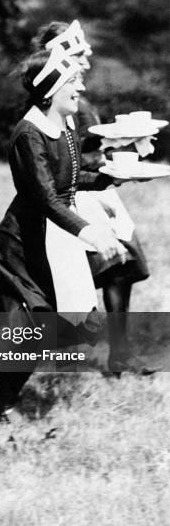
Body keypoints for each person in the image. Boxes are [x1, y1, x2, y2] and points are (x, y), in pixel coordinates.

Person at [0, 46, 125, 424]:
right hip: (23, 245)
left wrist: (110, 177)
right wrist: (88, 230)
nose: (81, 88)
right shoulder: (29, 134)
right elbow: (45, 198)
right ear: (51, 89)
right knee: (36, 331)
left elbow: (70, 182)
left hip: (54, 238)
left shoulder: (65, 124)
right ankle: (0, 405)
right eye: (73, 81)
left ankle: (1, 319)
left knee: (65, 329)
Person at [32, 20, 152, 376]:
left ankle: (119, 352)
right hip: (78, 198)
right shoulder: (55, 101)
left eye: (84, 53)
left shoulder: (77, 96)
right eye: (78, 54)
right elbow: (64, 160)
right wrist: (108, 160)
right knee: (85, 278)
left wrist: (116, 146)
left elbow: (85, 148)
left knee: (121, 269)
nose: (86, 59)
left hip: (98, 192)